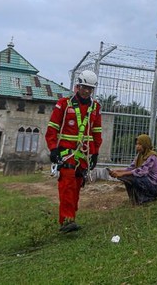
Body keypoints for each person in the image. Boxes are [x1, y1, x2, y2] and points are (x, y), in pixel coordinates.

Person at [45, 70, 103, 233]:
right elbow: (52, 128)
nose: (87, 91)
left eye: (90, 89)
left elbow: (96, 131)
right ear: (78, 85)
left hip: (83, 154)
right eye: (84, 87)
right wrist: (53, 149)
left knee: (77, 186)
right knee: (67, 185)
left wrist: (95, 152)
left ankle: (70, 219)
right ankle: (66, 220)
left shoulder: (95, 108)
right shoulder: (64, 104)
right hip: (66, 152)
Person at [108, 134, 157, 204]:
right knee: (126, 177)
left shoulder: (151, 156)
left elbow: (141, 171)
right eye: (137, 144)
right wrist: (117, 171)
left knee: (135, 178)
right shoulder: (140, 155)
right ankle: (134, 199)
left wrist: (122, 173)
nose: (137, 146)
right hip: (149, 181)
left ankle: (148, 199)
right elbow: (131, 168)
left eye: (140, 144)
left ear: (145, 145)